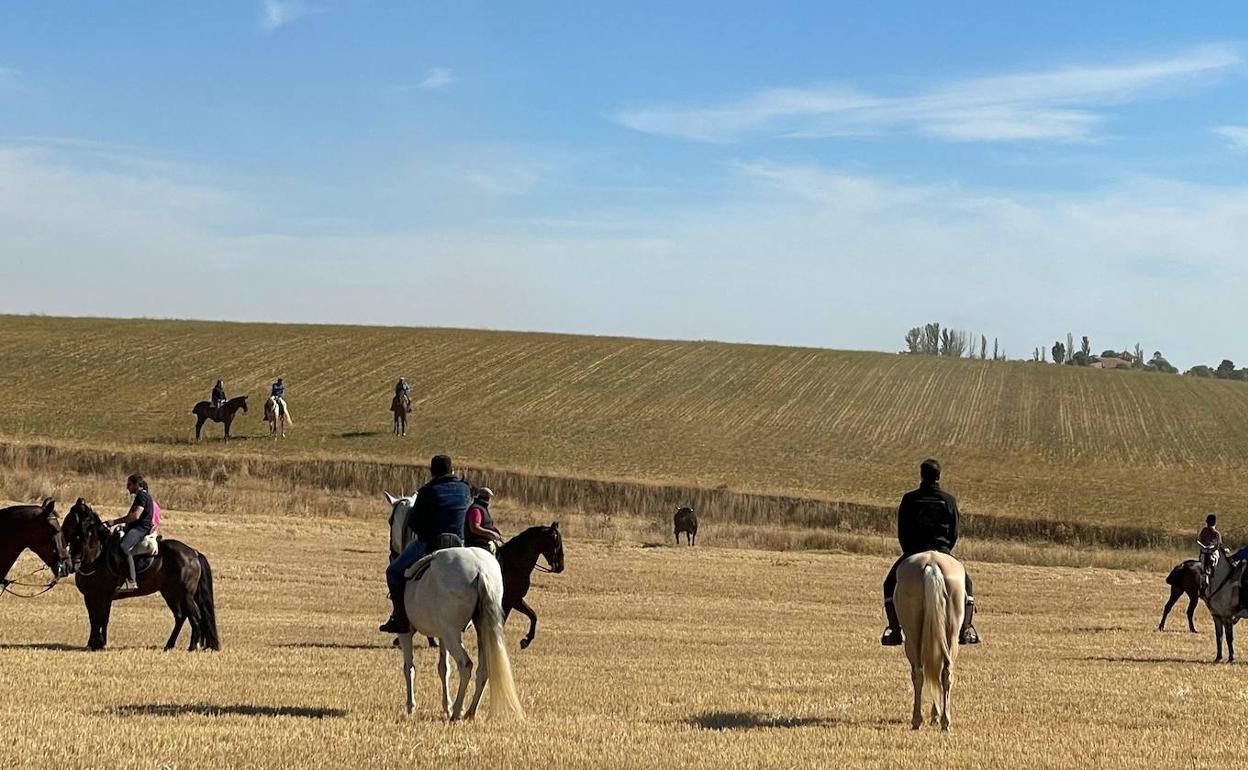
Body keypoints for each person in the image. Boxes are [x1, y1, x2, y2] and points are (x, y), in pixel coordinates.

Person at [880, 458, 980, 646]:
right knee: (967, 585)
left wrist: (909, 552)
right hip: (943, 550)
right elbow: (955, 532)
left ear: (921, 475)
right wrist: (945, 549)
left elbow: (902, 531)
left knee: (888, 585)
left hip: (913, 551)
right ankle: (966, 629)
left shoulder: (909, 499)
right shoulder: (948, 500)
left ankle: (894, 630)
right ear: (939, 476)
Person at [379, 455, 472, 633]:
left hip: (431, 543)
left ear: (432, 471)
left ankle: (400, 619)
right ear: (452, 469)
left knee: (393, 572)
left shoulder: (428, 491)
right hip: (459, 544)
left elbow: (413, 523)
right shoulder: (464, 489)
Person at [107, 474, 159, 593]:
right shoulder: (142, 496)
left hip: (140, 529)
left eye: (129, 484)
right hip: (138, 528)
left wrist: (114, 522)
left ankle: (131, 580)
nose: (127, 487)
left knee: (124, 547)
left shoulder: (142, 496)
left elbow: (135, 516)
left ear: (137, 484)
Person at [465, 487, 504, 552]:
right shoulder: (476, 509)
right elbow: (474, 528)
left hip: (484, 542)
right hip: (478, 544)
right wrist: (490, 533)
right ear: (487, 498)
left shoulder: (481, 508)